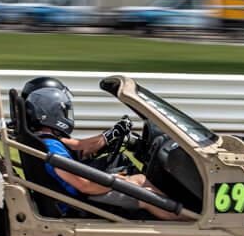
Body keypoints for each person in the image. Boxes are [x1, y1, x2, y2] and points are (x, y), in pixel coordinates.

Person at [24, 85, 186, 221]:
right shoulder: (50, 148)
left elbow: (79, 148)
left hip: (81, 194)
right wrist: (114, 181)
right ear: (52, 114)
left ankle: (181, 211)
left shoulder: (45, 141)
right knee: (146, 195)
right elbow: (83, 185)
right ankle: (192, 221)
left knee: (140, 179)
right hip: (80, 203)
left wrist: (111, 136)